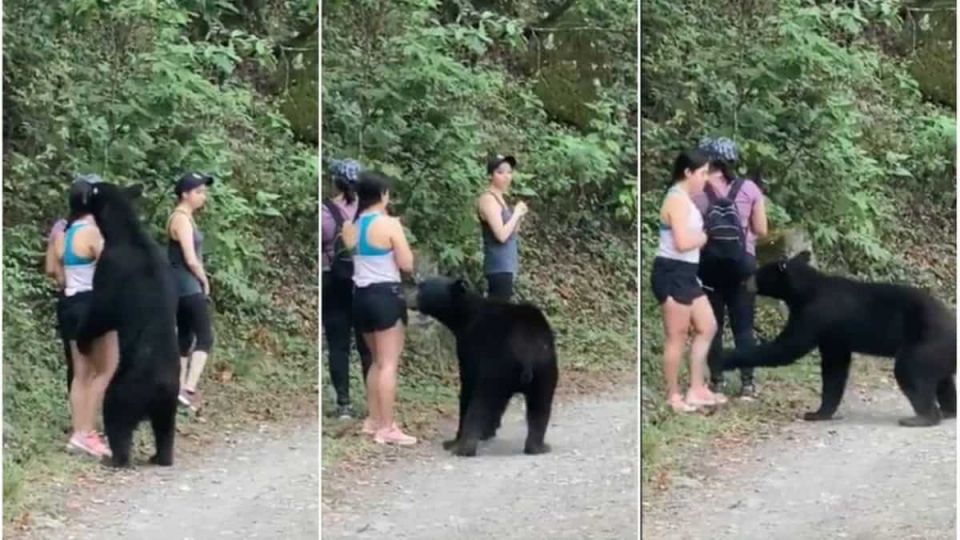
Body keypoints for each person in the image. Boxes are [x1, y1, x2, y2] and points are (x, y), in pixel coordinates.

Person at [341, 170, 417, 445]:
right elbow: (407, 263)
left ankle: (373, 420)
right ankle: (387, 427)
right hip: (386, 295)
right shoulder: (389, 224)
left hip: (360, 297)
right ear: (383, 195)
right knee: (388, 364)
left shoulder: (351, 226)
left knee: (375, 361)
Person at [650, 149, 726, 413]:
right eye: (702, 173)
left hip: (686, 273)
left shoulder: (686, 199)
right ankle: (673, 396)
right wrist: (705, 237)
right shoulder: (677, 200)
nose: (705, 178)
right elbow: (683, 243)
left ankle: (696, 388)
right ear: (688, 172)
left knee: (708, 325)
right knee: (677, 336)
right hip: (672, 272)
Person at [693, 137, 768, 399]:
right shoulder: (749, 189)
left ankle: (717, 381)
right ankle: (748, 385)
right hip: (743, 267)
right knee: (744, 327)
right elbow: (761, 229)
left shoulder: (697, 190)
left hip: (709, 267)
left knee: (712, 326)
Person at [51, 174, 119, 457]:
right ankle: (88, 433)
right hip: (94, 304)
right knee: (105, 369)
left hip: (70, 304)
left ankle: (78, 434)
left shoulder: (65, 234)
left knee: (81, 374)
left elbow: (57, 273)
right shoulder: (92, 233)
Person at [321, 158, 373, 419]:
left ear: (335, 182)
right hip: (363, 281)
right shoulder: (368, 212)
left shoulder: (325, 211)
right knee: (367, 344)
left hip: (333, 281)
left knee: (338, 344)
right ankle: (374, 401)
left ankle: (343, 403)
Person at [167, 172, 215, 413]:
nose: (202, 196)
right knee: (205, 337)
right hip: (187, 285)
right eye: (198, 192)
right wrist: (203, 279)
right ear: (184, 194)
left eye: (203, 192)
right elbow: (190, 257)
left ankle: (177, 388)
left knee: (184, 338)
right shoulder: (181, 219)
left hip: (180, 286)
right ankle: (188, 387)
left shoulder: (186, 218)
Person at [477, 154, 528, 301]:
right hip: (497, 266)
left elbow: (513, 232)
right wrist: (516, 212)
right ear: (490, 176)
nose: (506, 176)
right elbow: (501, 235)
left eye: (509, 172)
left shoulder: (501, 200)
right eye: (500, 172)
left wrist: (519, 216)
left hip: (507, 265)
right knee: (497, 314)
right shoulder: (488, 199)